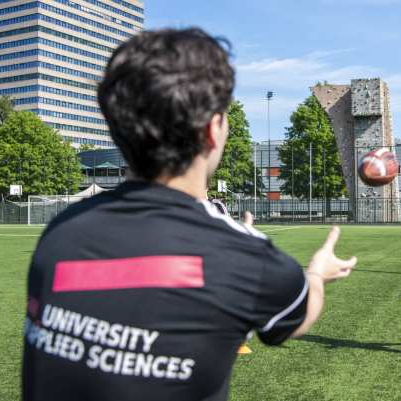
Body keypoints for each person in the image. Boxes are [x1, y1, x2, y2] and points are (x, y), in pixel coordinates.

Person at [22, 28, 356, 401]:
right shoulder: (244, 258)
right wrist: (317, 271)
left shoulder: (58, 233)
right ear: (212, 130)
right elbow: (300, 315)